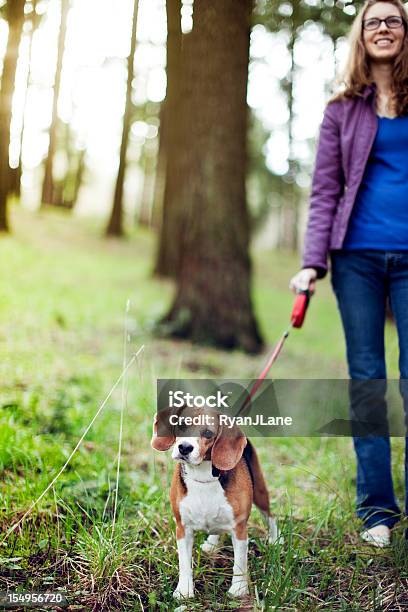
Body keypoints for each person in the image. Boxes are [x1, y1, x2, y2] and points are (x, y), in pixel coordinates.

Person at [290, 0, 408, 547]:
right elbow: (324, 192)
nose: (384, 29)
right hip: (356, 258)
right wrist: (312, 262)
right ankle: (377, 512)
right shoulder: (341, 109)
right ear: (360, 36)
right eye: (373, 22)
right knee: (367, 381)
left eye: (394, 20)